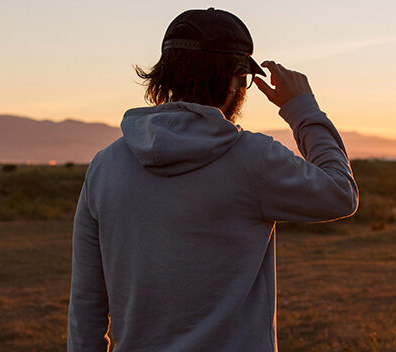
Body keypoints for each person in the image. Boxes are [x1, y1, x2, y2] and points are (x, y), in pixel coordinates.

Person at [67, 8, 358, 352]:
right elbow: (341, 192)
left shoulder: (106, 165)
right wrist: (302, 108)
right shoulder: (253, 159)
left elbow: (87, 303)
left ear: (166, 75)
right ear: (234, 80)